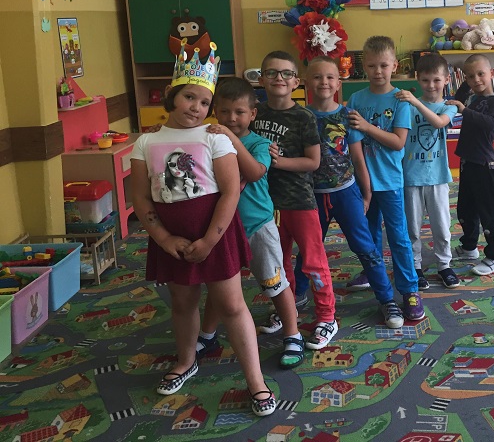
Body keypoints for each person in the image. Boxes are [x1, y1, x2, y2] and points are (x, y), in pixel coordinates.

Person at [129, 45, 276, 417]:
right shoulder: (146, 142)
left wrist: (211, 239)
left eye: (204, 101)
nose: (196, 106)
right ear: (171, 95)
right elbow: (141, 198)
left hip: (215, 234)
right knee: (182, 303)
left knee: (231, 305)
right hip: (172, 238)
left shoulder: (216, 138)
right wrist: (164, 238)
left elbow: (230, 191)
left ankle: (256, 381)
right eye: (189, 97)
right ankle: (186, 360)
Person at [199, 77, 303, 369]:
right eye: (224, 111)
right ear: (215, 112)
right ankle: (207, 335)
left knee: (274, 283)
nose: (231, 118)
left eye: (239, 112)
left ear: (252, 114)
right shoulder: (209, 140)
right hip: (221, 228)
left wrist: (231, 140)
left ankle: (292, 334)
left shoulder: (260, 143)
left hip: (258, 225)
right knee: (220, 286)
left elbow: (256, 172)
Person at [300, 56, 405, 328]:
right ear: (306, 82)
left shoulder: (348, 116)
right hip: (312, 197)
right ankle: (296, 297)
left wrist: (366, 194)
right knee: (308, 249)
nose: (324, 82)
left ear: (338, 82)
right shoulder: (302, 117)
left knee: (366, 248)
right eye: (317, 77)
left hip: (347, 193)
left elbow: (358, 159)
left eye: (330, 77)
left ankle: (386, 299)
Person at [251, 50, 338, 350]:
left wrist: (277, 162)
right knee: (278, 262)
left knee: (313, 261)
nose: (279, 78)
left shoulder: (304, 117)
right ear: (261, 79)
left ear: (296, 82)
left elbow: (313, 162)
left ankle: (327, 317)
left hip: (300, 201)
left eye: (286, 73)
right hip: (266, 203)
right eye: (272, 73)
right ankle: (286, 311)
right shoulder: (254, 113)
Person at [346, 36, 424, 321]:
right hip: (362, 181)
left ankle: (410, 290)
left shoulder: (400, 99)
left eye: (383, 65)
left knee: (399, 237)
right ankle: (373, 274)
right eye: (371, 66)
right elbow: (352, 141)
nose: (377, 71)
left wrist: (367, 127)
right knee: (369, 236)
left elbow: (398, 142)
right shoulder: (356, 99)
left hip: (390, 181)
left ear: (394, 66)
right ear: (364, 67)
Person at [396, 53, 460, 290]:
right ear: (417, 78)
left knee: (441, 226)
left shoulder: (448, 107)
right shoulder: (407, 105)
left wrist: (415, 102)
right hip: (410, 177)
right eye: (425, 80)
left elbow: (439, 122)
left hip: (437, 177)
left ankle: (444, 265)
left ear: (446, 80)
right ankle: (415, 266)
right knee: (412, 227)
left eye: (436, 80)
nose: (431, 85)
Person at [446, 53, 494, 275]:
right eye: (470, 76)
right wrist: (466, 83)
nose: (476, 80)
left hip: (484, 165)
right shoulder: (474, 98)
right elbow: (459, 96)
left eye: (481, 74)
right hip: (468, 162)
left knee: (489, 212)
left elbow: (492, 124)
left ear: (492, 74)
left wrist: (465, 111)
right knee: (466, 208)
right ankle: (469, 247)